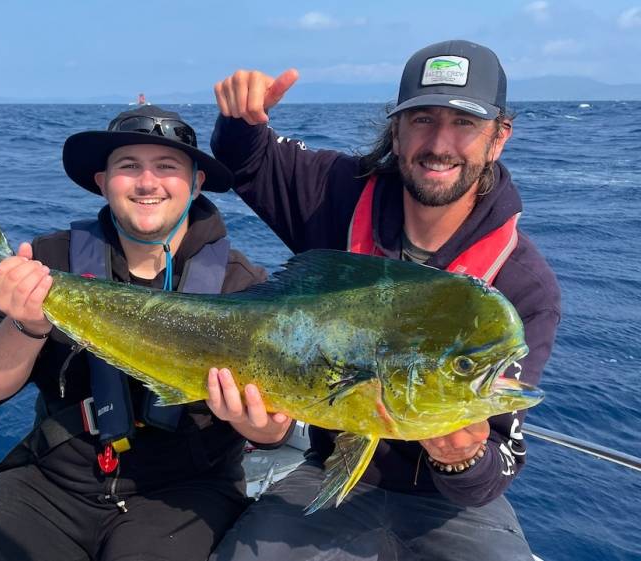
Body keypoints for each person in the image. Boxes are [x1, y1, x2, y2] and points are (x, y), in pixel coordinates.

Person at [0, 105, 293, 561]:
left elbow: (276, 437)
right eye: (128, 166)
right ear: (101, 181)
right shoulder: (48, 259)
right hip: (56, 481)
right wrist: (26, 325)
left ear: (197, 182)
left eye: (167, 167)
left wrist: (256, 424)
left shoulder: (247, 288)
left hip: (185, 496)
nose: (147, 182)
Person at [207, 40, 561, 561]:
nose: (439, 143)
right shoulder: (338, 192)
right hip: (328, 477)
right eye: (421, 119)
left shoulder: (526, 285)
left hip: (448, 508)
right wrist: (240, 121)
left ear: (498, 138)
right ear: (395, 130)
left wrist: (461, 460)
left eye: (464, 124)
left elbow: (492, 471)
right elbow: (249, 161)